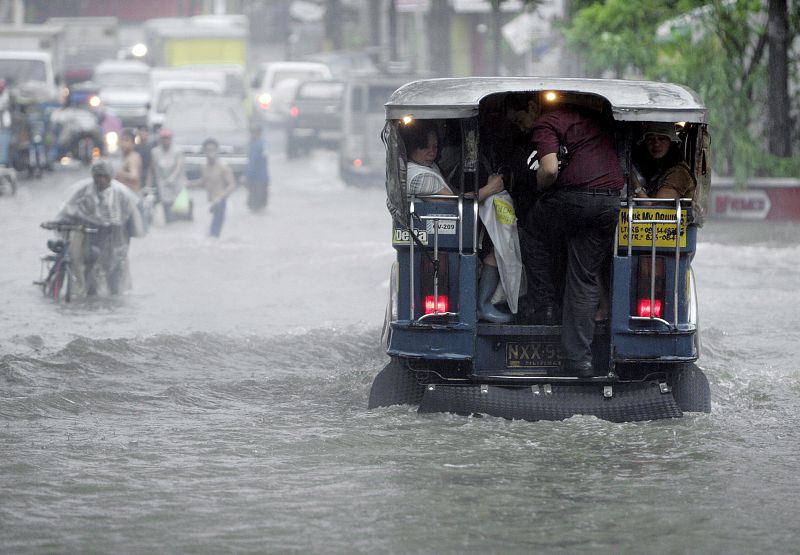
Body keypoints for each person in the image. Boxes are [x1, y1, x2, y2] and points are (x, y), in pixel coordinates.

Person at [507, 95, 623, 377]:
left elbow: (548, 169)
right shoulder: (592, 121)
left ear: (533, 108)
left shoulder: (546, 122)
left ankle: (545, 306)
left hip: (575, 200)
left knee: (531, 230)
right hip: (609, 204)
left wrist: (538, 186)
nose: (522, 128)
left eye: (520, 120)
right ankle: (579, 360)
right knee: (583, 276)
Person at [401, 121, 511, 323]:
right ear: (412, 147)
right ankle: (483, 305)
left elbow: (454, 192)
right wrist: (490, 189)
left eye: (435, 146)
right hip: (443, 238)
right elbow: (454, 202)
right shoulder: (418, 176)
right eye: (425, 147)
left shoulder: (428, 166)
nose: (432, 152)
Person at [56, 159, 144, 296]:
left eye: (105, 176)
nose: (101, 180)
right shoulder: (83, 191)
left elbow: (132, 218)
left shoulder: (121, 194)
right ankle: (91, 301)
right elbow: (69, 210)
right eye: (98, 176)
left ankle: (113, 303)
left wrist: (134, 232)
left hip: (113, 240)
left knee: (114, 275)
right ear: (93, 176)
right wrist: (60, 222)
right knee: (89, 273)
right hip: (89, 239)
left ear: (110, 177)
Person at [188, 138, 237, 238]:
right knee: (209, 235)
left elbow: (232, 185)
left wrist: (220, 197)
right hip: (210, 203)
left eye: (213, 150)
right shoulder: (203, 166)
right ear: (204, 151)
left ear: (217, 151)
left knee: (215, 235)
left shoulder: (223, 167)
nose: (210, 153)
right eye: (208, 150)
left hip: (222, 203)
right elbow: (204, 182)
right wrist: (189, 184)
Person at [633, 122, 696, 199]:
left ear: (671, 142)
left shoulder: (678, 172)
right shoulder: (657, 169)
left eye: (662, 138)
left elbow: (657, 208)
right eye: (650, 139)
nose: (656, 144)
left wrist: (634, 182)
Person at [150, 127, 190, 222]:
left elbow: (179, 166)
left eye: (167, 138)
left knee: (182, 217)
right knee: (168, 214)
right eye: (163, 138)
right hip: (163, 184)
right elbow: (153, 169)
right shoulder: (155, 152)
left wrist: (172, 177)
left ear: (171, 139)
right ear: (160, 139)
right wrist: (153, 184)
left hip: (178, 184)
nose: (165, 140)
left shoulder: (178, 151)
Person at [244, 123, 269, 212]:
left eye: (254, 132)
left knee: (256, 200)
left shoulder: (258, 145)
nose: (252, 134)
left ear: (259, 133)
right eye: (251, 132)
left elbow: (253, 162)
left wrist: (247, 175)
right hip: (260, 176)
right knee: (258, 199)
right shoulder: (257, 144)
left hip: (258, 177)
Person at [115, 128, 142, 194]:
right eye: (122, 140)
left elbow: (134, 176)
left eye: (126, 140)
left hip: (131, 197)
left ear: (133, 143)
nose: (123, 143)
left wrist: (120, 173)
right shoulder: (124, 157)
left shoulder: (133, 157)